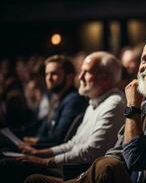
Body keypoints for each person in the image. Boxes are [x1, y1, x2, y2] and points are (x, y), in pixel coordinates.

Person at [25, 32, 146, 183]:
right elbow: (117, 150)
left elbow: (137, 159)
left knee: (108, 167)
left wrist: (132, 107)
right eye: (144, 59)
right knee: (35, 179)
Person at [0, 52, 126, 183]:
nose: (80, 76)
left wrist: (46, 161)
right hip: (74, 167)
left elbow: (91, 152)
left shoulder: (114, 103)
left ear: (105, 77)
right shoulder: (94, 102)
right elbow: (74, 143)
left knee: (9, 166)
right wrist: (38, 153)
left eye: (86, 72)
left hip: (82, 173)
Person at [22, 55, 88, 146]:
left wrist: (34, 142)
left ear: (70, 77)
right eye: (46, 74)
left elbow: (58, 139)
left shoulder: (74, 100)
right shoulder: (55, 98)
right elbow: (42, 127)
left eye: (54, 74)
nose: (49, 78)